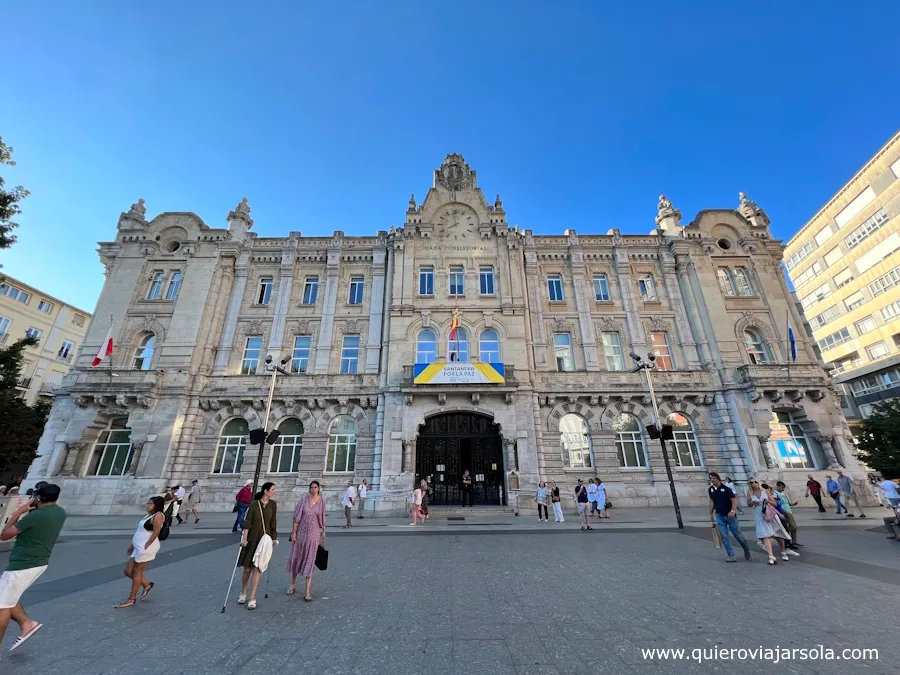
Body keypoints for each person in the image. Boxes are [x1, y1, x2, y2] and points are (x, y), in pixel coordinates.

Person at [0, 484, 66, 656]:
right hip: (39, 561)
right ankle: (27, 623)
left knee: (1, 606)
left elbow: (4, 535)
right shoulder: (59, 512)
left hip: (23, 563)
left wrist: (18, 512)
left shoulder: (35, 516)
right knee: (8, 598)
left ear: (38, 498)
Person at [115, 496, 166, 608]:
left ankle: (131, 599)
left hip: (146, 548)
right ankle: (147, 584)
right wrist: (132, 545)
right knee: (128, 571)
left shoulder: (158, 515)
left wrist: (147, 544)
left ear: (157, 505)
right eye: (148, 503)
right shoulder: (149, 515)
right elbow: (140, 532)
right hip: (137, 547)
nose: (147, 505)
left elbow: (156, 532)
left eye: (150, 504)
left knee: (137, 571)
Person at [238, 482, 277, 610]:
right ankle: (243, 591)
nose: (273, 492)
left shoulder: (273, 505)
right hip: (252, 538)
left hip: (264, 539)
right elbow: (247, 523)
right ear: (266, 491)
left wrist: (274, 538)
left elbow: (273, 522)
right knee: (247, 568)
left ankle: (252, 597)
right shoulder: (254, 504)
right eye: (272, 490)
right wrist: (244, 539)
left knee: (257, 568)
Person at [287, 481, 326, 601]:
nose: (313, 489)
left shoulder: (322, 501)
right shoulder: (303, 500)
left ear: (318, 489)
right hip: (301, 532)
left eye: (315, 487)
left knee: (310, 559)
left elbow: (323, 516)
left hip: (314, 533)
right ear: (309, 489)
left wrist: (324, 531)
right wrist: (294, 532)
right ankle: (293, 583)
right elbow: (296, 518)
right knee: (297, 556)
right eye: (312, 487)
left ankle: (307, 590)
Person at [708, 472, 750, 562]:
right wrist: (711, 513)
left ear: (718, 478)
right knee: (724, 536)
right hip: (719, 515)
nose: (712, 480)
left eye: (713, 478)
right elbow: (712, 501)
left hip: (730, 515)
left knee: (737, 535)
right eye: (711, 478)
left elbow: (734, 500)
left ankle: (745, 547)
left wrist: (733, 511)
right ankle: (731, 555)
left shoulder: (726, 489)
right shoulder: (711, 489)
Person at [748, 479, 791, 565]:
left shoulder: (765, 491)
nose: (754, 484)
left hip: (770, 514)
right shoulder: (750, 492)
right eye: (751, 482)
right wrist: (752, 503)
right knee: (765, 535)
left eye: (755, 482)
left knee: (777, 534)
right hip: (759, 515)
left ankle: (783, 552)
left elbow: (775, 504)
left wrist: (769, 502)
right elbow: (748, 504)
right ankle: (771, 556)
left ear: (758, 482)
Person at [774, 481, 802, 552]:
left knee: (794, 527)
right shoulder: (775, 493)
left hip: (789, 510)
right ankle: (782, 533)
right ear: (778, 486)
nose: (783, 489)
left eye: (784, 487)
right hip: (783, 511)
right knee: (793, 526)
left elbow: (789, 503)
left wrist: (794, 504)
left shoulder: (784, 494)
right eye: (782, 487)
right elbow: (775, 504)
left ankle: (793, 541)